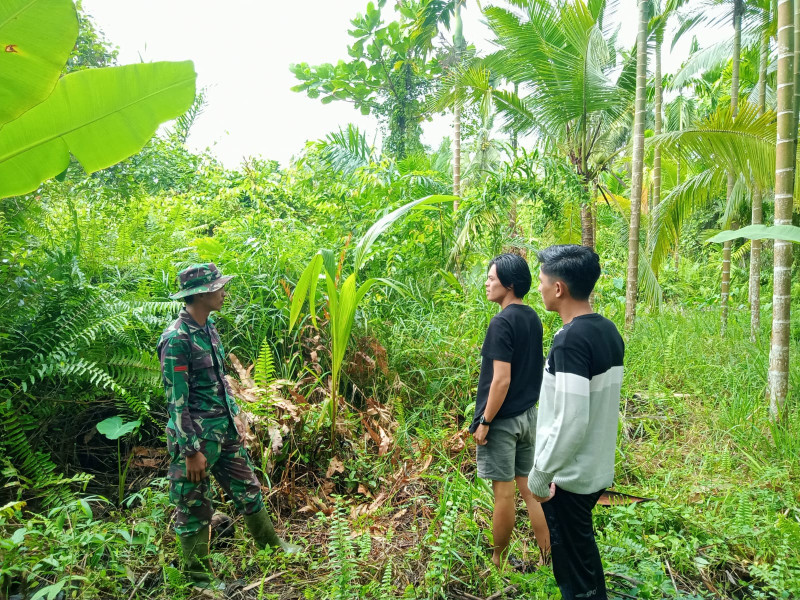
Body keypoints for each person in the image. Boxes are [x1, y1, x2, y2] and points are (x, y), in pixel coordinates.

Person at [158, 263, 300, 589]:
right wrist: (191, 451)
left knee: (248, 489)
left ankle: (272, 548)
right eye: (219, 286)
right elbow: (176, 402)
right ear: (202, 293)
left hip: (224, 433)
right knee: (194, 506)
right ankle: (198, 580)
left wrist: (235, 420)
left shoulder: (208, 328)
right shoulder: (176, 340)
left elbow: (218, 383)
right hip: (196, 441)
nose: (224, 291)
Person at [528, 245, 625, 600]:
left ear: (558, 289)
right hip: (595, 469)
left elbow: (572, 419)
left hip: (569, 478)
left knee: (573, 574)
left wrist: (542, 471)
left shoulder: (570, 341)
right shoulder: (608, 331)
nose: (538, 288)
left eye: (541, 281)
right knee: (582, 558)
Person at [470, 253, 550, 569]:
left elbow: (501, 380)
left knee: (503, 496)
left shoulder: (501, 322)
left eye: (492, 278)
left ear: (509, 284)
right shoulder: (532, 317)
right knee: (531, 493)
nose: (487, 283)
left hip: (502, 421)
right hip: (529, 417)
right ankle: (548, 558)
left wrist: (485, 421)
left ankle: (498, 562)